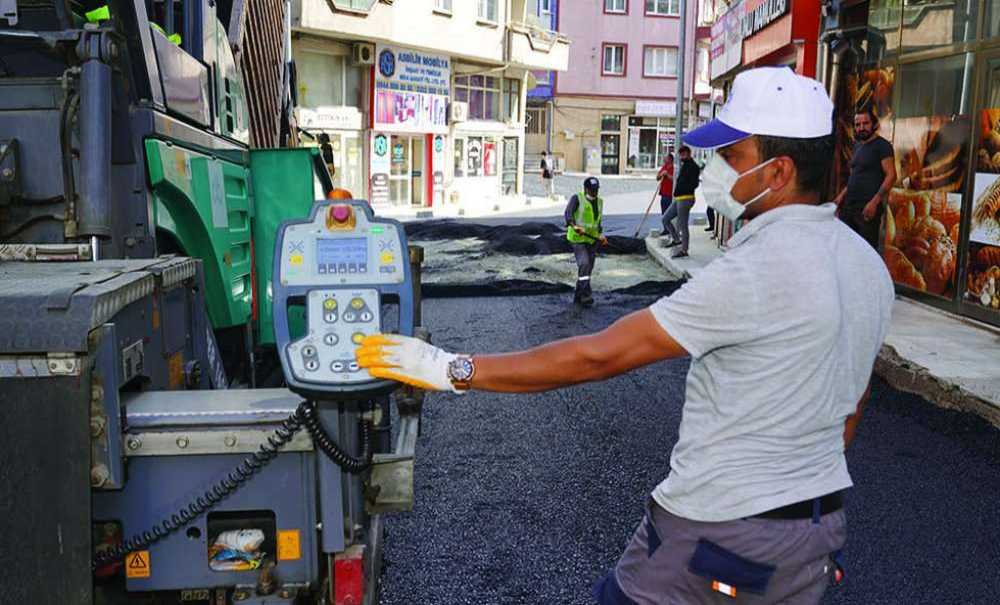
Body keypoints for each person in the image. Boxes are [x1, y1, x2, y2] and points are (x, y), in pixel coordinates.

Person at [355, 67, 894, 604]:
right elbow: (852, 404)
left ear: (778, 173)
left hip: (717, 537)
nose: (714, 169)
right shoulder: (866, 266)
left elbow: (598, 355)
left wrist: (453, 369)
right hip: (816, 537)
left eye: (732, 156)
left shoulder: (755, 271)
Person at [833, 108, 897, 249]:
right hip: (849, 207)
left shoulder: (883, 146)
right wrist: (840, 197)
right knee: (845, 249)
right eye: (858, 124)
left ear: (874, 124)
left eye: (865, 123)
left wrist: (874, 203)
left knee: (865, 253)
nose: (861, 128)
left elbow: (891, 175)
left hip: (867, 210)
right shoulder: (857, 146)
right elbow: (855, 176)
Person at [563, 177, 608, 307]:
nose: (595, 192)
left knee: (588, 268)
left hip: (592, 240)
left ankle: (578, 295)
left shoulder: (599, 202)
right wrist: (574, 225)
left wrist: (600, 235)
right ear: (586, 189)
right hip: (577, 239)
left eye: (596, 190)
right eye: (592, 190)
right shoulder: (577, 198)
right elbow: (568, 213)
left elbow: (597, 221)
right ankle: (585, 294)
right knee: (584, 264)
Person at [661, 146, 701, 258]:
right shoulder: (685, 165)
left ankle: (684, 250)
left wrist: (683, 187)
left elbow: (695, 184)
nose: (681, 157)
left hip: (686, 198)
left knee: (683, 225)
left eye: (683, 154)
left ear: (688, 154)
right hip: (679, 198)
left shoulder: (693, 167)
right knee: (665, 219)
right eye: (680, 154)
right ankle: (676, 240)